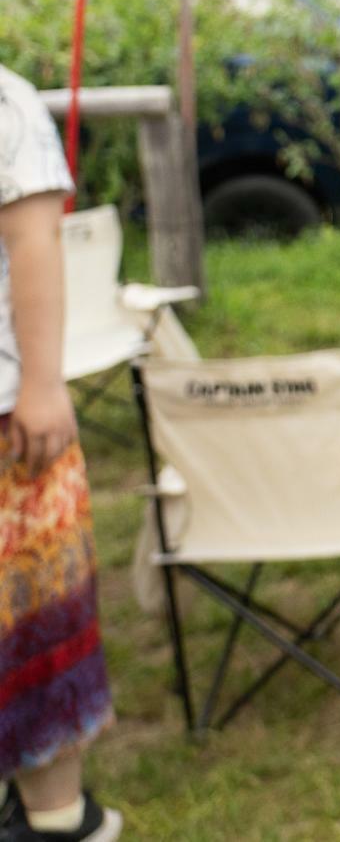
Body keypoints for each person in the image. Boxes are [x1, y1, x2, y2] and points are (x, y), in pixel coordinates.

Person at [0, 64, 120, 842]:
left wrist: (43, 383)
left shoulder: (3, 101)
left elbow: (34, 241)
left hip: (10, 420)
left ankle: (58, 821)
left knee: (36, 626)